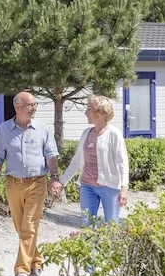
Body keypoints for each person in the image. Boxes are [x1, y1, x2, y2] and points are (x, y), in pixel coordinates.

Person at [0, 91, 61, 276]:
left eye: (35, 104)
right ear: (17, 106)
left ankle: (22, 269)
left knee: (28, 226)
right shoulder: (3, 130)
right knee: (22, 228)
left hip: (38, 182)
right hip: (13, 184)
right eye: (30, 104)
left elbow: (51, 155)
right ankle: (36, 261)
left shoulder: (43, 129)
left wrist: (54, 178)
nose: (34, 107)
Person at [51, 95, 129, 225]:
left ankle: (108, 246)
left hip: (109, 186)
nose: (86, 113)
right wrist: (62, 182)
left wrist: (124, 188)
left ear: (100, 112)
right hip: (87, 186)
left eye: (89, 110)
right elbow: (77, 161)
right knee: (87, 225)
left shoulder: (114, 134)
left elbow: (122, 162)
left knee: (111, 225)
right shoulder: (86, 133)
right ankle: (91, 247)